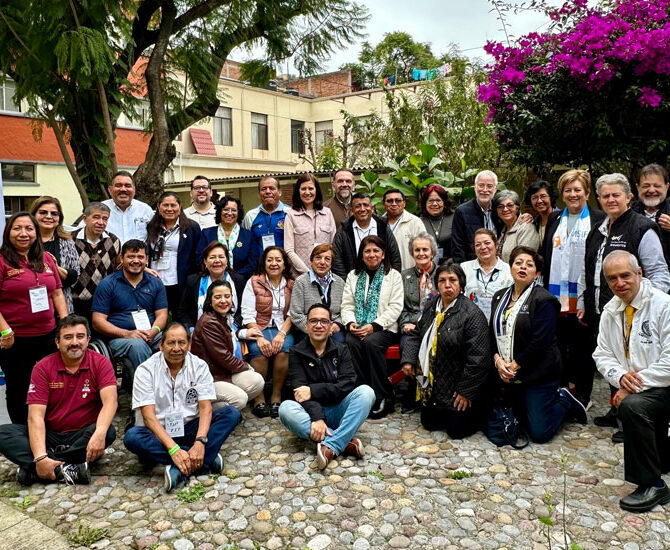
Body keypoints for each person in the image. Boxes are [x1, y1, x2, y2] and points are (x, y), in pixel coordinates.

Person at [593, 251, 670, 513]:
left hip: (666, 384)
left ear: (639, 273)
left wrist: (632, 385)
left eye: (625, 275)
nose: (619, 283)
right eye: (612, 278)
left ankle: (653, 485)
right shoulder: (611, 310)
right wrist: (620, 377)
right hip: (643, 387)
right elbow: (601, 354)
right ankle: (660, 458)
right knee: (637, 402)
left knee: (633, 406)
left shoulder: (663, 305)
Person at [123, 323, 241, 492]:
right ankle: (205, 460)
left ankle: (183, 463)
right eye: (171, 343)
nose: (176, 348)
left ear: (189, 344)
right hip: (159, 434)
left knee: (231, 413)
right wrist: (174, 450)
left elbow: (206, 408)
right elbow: (148, 417)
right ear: (161, 345)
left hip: (189, 428)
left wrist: (200, 441)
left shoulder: (199, 366)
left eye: (181, 343)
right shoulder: (146, 370)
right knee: (132, 437)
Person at [0, 316, 117, 486]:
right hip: (50, 435)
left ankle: (37, 469)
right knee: (3, 434)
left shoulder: (100, 363)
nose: (74, 342)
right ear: (57, 342)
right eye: (68, 337)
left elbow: (110, 401)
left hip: (83, 434)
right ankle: (66, 469)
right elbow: (35, 416)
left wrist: (99, 433)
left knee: (108, 431)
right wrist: (40, 455)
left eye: (80, 336)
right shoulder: (42, 367)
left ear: (88, 339)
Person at [490, 246, 587, 443]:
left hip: (538, 374)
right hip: (507, 372)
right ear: (511, 268)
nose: (522, 267)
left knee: (539, 434)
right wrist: (498, 360)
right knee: (519, 423)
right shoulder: (499, 297)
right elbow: (492, 332)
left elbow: (540, 342)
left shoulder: (544, 300)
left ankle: (564, 400)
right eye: (518, 263)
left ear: (537, 273)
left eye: (529, 265)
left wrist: (515, 365)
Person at [279, 303, 375, 470]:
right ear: (306, 325)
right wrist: (318, 418)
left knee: (366, 393)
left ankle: (330, 443)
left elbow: (347, 384)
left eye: (324, 321)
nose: (318, 325)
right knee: (285, 409)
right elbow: (300, 393)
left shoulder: (341, 349)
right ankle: (343, 442)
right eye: (313, 321)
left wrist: (313, 390)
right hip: (310, 415)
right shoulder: (296, 352)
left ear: (331, 326)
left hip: (339, 409)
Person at [401, 263, 490, 438]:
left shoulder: (472, 314)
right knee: (429, 424)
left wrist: (466, 391)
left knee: (457, 431)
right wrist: (409, 359)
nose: (447, 285)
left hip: (458, 385)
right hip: (434, 385)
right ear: (437, 284)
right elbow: (416, 334)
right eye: (442, 280)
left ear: (461, 284)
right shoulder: (431, 306)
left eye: (452, 280)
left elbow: (479, 358)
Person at [541, 169, 606, 407]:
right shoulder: (555, 220)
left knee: (583, 347)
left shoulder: (598, 219)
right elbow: (548, 257)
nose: (573, 194)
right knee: (559, 345)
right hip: (557, 296)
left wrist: (586, 300)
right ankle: (562, 388)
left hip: (583, 297)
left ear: (587, 192)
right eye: (568, 190)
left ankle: (583, 393)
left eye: (577, 189)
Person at [0, 213, 68, 424]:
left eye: (29, 229)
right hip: (15, 338)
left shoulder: (46, 259)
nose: (23, 234)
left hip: (48, 335)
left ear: (36, 233)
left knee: (54, 382)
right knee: (19, 387)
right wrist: (5, 330)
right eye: (17, 228)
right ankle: (22, 431)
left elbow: (57, 292)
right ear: (8, 232)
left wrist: (65, 324)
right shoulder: (2, 261)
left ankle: (50, 425)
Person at [341, 235, 403, 419]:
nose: (372, 254)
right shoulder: (353, 276)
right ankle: (363, 394)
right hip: (358, 327)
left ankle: (383, 394)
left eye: (376, 250)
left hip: (385, 328)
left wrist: (374, 326)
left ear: (383, 254)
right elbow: (347, 305)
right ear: (361, 255)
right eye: (367, 251)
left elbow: (396, 306)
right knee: (351, 341)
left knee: (370, 343)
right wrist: (350, 323)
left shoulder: (393, 276)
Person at [92, 239, 168, 370]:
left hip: (151, 334)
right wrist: (127, 334)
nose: (136, 261)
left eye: (140, 257)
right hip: (119, 338)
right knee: (138, 345)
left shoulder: (156, 283)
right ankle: (146, 388)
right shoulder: (108, 284)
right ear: (122, 258)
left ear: (147, 259)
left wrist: (153, 331)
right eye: (131, 256)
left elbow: (162, 315)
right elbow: (97, 322)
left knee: (175, 338)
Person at [191, 281, 265, 410]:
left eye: (227, 296)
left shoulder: (222, 317)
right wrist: (247, 366)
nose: (223, 301)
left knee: (257, 381)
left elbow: (227, 335)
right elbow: (223, 357)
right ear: (209, 300)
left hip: (222, 372)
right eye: (217, 297)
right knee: (240, 399)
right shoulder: (208, 322)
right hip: (210, 377)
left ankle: (228, 402)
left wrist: (242, 333)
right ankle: (205, 412)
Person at [240, 246, 294, 418]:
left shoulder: (292, 283)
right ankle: (259, 396)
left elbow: (293, 313)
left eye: (278, 260)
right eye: (270, 260)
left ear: (284, 264)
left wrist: (281, 335)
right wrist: (259, 337)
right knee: (258, 351)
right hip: (259, 326)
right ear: (264, 263)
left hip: (282, 328)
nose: (274, 263)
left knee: (283, 349)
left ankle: (276, 395)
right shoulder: (254, 281)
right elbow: (247, 313)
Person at [397, 233, 439, 414]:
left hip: (438, 326)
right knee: (408, 345)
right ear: (412, 253)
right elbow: (399, 307)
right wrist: (406, 324)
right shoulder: (403, 276)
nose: (421, 253)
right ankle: (413, 391)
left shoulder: (443, 274)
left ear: (432, 252)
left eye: (425, 249)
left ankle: (433, 394)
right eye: (417, 250)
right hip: (412, 328)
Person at [146, 192, 201, 314]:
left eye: (173, 205)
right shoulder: (151, 227)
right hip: (155, 279)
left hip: (180, 282)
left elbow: (197, 256)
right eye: (165, 205)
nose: (169, 209)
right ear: (159, 207)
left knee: (180, 317)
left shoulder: (192, 227)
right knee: (156, 315)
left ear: (180, 207)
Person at [332, 193, 402, 279]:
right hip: (353, 282)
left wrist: (391, 280)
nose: (362, 209)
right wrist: (347, 283)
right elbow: (337, 260)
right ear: (352, 211)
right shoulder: (344, 230)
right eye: (358, 206)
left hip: (383, 281)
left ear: (372, 208)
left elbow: (395, 257)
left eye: (365, 205)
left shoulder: (383, 227)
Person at [71, 202, 121, 321]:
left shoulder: (114, 241)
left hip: (103, 302)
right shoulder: (70, 240)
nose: (101, 222)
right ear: (84, 219)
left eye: (105, 219)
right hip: (76, 301)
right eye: (96, 217)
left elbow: (118, 267)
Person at [30, 196, 81, 313]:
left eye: (54, 214)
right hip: (29, 307)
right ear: (33, 215)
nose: (49, 216)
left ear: (59, 218)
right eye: (43, 212)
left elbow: (74, 276)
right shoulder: (25, 241)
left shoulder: (67, 242)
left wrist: (54, 267)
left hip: (61, 307)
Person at [177, 241, 243, 329]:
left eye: (221, 257)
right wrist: (192, 330)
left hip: (232, 331)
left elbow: (243, 311)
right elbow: (183, 312)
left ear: (227, 260)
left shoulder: (238, 281)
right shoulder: (193, 281)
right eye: (212, 257)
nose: (217, 261)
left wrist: (234, 329)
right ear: (205, 261)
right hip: (199, 332)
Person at [290, 244, 346, 343]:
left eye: (327, 259)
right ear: (311, 261)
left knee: (340, 344)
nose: (322, 262)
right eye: (318, 258)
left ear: (331, 263)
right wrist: (314, 329)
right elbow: (296, 314)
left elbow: (345, 311)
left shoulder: (340, 282)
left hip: (332, 330)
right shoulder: (300, 282)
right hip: (307, 330)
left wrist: (335, 325)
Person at [284, 174, 336, 276]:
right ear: (298, 191)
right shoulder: (291, 215)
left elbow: (333, 245)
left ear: (316, 190)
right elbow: (289, 250)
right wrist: (308, 272)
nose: (307, 192)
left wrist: (323, 268)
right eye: (303, 189)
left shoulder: (327, 213)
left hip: (325, 274)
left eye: (311, 188)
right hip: (300, 276)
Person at [198, 196, 258, 279]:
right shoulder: (207, 234)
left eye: (234, 210)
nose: (230, 213)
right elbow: (200, 259)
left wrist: (234, 277)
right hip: (212, 281)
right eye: (226, 209)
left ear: (238, 213)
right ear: (220, 212)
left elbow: (253, 263)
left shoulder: (248, 236)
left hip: (240, 282)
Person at [461, 229, 513, 320]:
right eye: (478, 245)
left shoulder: (508, 270)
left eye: (487, 243)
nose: (483, 247)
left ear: (496, 245)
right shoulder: (464, 268)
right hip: (470, 322)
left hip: (499, 321)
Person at [451, 170, 499, 263]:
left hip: (498, 265)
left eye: (489, 186)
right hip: (471, 267)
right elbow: (457, 246)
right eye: (481, 185)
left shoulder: (500, 209)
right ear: (475, 187)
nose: (485, 190)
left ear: (495, 189)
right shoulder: (462, 212)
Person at [242, 176, 290, 264]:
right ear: (259, 193)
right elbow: (246, 245)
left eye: (272, 188)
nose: (268, 192)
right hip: (258, 269)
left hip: (284, 268)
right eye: (264, 189)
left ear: (279, 192)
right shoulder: (250, 216)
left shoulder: (290, 213)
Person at [631, 163, 670, 263]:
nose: (652, 190)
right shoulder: (629, 211)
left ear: (667, 186)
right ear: (638, 187)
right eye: (646, 186)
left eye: (657, 186)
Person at [102, 170, 154, 244]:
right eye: (118, 185)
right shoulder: (100, 209)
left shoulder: (145, 210)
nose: (123, 189)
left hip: (138, 254)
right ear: (110, 190)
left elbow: (156, 236)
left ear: (134, 190)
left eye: (128, 186)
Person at [383, 189, 426, 271]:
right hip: (385, 274)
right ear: (383, 204)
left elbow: (424, 249)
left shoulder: (415, 222)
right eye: (389, 201)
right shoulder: (379, 223)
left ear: (404, 203)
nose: (394, 204)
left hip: (409, 273)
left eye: (398, 200)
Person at [493, 190, 540, 263]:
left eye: (510, 205)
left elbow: (524, 261)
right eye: (500, 206)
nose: (505, 209)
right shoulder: (502, 229)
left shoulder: (526, 228)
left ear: (517, 208)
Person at [419, 185, 455, 265]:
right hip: (426, 267)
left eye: (438, 200)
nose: (435, 204)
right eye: (431, 201)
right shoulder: (419, 222)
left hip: (452, 266)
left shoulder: (455, 218)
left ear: (444, 202)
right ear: (425, 203)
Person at [524, 180, 558, 244]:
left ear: (551, 197)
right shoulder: (535, 223)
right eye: (534, 197)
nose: (539, 201)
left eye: (543, 196)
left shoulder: (561, 219)